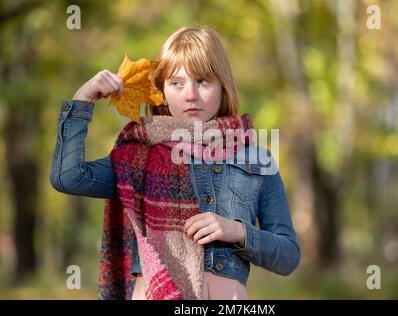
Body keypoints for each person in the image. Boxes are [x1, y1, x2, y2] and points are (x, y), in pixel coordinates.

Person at [50, 25, 300, 300]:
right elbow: (69, 177)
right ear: (163, 92)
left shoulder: (255, 159)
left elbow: (288, 256)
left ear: (223, 86)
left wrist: (237, 230)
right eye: (177, 83)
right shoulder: (137, 156)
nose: (190, 94)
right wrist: (82, 102)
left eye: (203, 80)